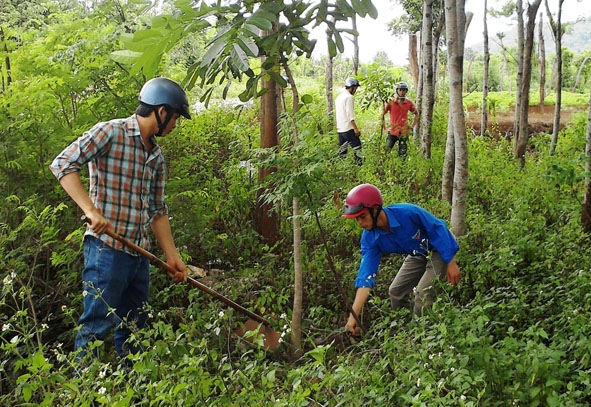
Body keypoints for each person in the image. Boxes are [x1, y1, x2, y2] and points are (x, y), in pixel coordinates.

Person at [49, 77, 191, 360]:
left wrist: (172, 256)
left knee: (135, 328)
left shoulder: (156, 156)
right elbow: (63, 164)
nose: (175, 124)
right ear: (162, 112)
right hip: (106, 251)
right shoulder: (111, 133)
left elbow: (157, 210)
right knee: (96, 326)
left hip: (139, 257)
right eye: (175, 117)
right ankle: (82, 394)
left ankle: (132, 391)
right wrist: (91, 211)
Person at [341, 184, 461, 334]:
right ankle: (409, 328)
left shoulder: (407, 213)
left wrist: (451, 262)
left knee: (423, 293)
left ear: (375, 209)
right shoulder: (370, 238)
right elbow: (366, 276)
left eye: (362, 216)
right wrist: (353, 317)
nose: (360, 223)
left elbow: (438, 228)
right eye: (356, 219)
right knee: (395, 291)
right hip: (417, 253)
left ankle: (422, 335)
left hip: (439, 248)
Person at [381, 81, 419, 157]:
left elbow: (416, 114)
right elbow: (382, 115)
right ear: (397, 91)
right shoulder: (391, 102)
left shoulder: (409, 103)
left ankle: (401, 168)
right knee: (386, 151)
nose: (402, 92)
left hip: (404, 132)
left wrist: (412, 126)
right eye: (400, 90)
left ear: (406, 91)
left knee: (403, 154)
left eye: (404, 90)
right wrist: (384, 128)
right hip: (392, 132)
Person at [335, 77, 362, 165]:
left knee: (342, 152)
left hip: (340, 129)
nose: (355, 90)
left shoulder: (339, 97)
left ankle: (341, 169)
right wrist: (356, 129)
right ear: (352, 87)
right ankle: (359, 167)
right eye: (355, 88)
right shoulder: (349, 97)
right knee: (358, 150)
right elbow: (350, 115)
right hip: (348, 128)